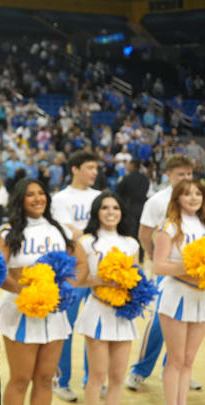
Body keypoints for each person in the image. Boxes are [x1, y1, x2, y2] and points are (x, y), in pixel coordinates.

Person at [0, 178, 86, 405]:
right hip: (20, 311)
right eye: (30, 194)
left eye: (41, 193)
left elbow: (82, 264)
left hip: (54, 311)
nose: (38, 198)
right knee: (21, 379)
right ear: (20, 199)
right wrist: (24, 291)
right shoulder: (7, 232)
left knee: (46, 379)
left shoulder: (60, 230)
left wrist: (64, 289)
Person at [126, 155, 198, 391]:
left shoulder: (197, 198)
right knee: (159, 320)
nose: (186, 178)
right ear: (168, 175)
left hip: (196, 275)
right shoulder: (157, 201)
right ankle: (139, 370)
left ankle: (178, 370)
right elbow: (144, 233)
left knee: (188, 320)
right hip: (166, 268)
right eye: (181, 174)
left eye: (189, 174)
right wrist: (156, 257)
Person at [73, 192, 140, 405]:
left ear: (122, 212)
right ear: (96, 212)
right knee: (98, 376)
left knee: (119, 376)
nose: (111, 212)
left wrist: (133, 284)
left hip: (123, 313)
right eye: (105, 208)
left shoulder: (131, 243)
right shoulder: (86, 242)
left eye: (115, 208)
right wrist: (103, 280)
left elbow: (137, 277)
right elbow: (77, 280)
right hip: (98, 311)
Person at [51, 150, 101, 402]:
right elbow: (69, 233)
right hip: (73, 270)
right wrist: (91, 234)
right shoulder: (61, 198)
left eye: (96, 168)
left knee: (96, 329)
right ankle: (61, 379)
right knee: (66, 327)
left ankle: (93, 379)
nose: (95, 172)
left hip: (100, 271)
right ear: (75, 169)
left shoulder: (101, 196)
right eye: (90, 167)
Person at [153, 179, 205, 405]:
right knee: (175, 359)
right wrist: (193, 269)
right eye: (187, 194)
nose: (193, 198)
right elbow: (159, 266)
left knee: (188, 359)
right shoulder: (169, 226)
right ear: (177, 198)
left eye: (197, 194)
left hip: (201, 298)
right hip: (176, 296)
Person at [115, 159, 150, 240]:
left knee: (130, 236)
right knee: (141, 235)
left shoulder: (127, 178)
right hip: (142, 209)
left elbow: (117, 193)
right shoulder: (145, 179)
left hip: (129, 209)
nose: (127, 166)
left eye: (129, 164)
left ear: (133, 166)